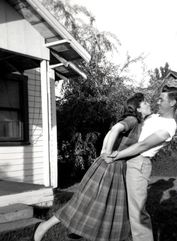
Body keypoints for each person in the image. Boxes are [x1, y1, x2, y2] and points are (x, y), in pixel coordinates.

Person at [32, 92, 151, 241]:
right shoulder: (132, 119)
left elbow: (113, 134)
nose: (148, 104)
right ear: (138, 108)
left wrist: (106, 152)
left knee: (106, 209)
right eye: (145, 103)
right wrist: (107, 153)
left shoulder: (139, 123)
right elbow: (115, 129)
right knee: (85, 204)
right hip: (109, 168)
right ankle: (44, 227)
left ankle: (89, 232)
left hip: (116, 168)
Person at [105, 85, 177, 241]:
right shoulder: (155, 117)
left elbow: (143, 145)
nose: (157, 101)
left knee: (137, 212)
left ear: (173, 102)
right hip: (128, 159)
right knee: (122, 204)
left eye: (161, 99)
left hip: (138, 163)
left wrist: (116, 155)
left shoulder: (169, 126)